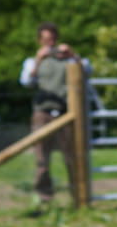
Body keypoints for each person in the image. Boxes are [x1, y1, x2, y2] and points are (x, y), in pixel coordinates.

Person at [19, 22, 91, 203]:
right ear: (39, 41)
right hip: (42, 112)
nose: (49, 44)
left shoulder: (68, 60)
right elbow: (26, 82)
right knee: (42, 159)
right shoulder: (31, 61)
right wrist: (38, 61)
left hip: (67, 111)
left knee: (73, 155)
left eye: (52, 39)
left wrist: (73, 55)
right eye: (45, 40)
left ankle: (78, 195)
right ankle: (45, 197)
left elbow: (88, 71)